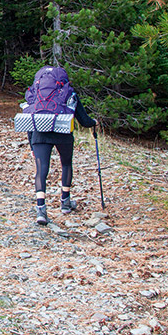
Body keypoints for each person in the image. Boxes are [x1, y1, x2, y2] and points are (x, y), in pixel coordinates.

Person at [24, 66, 97, 225]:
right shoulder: (69, 94)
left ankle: (41, 210)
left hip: (39, 134)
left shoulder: (36, 94)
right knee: (66, 164)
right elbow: (84, 121)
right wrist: (94, 123)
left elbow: (30, 118)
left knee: (41, 169)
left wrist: (31, 146)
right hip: (63, 133)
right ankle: (65, 202)